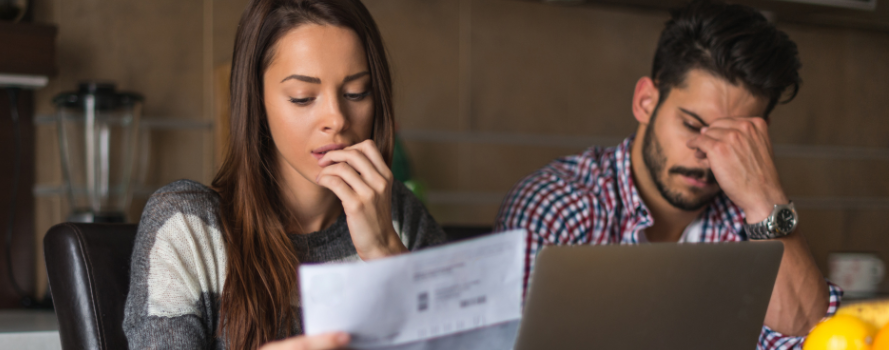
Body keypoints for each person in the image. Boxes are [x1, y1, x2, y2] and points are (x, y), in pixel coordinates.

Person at [495, 1, 842, 349]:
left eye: (731, 139)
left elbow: (818, 343)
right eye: (692, 124)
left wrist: (766, 199)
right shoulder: (556, 205)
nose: (707, 152)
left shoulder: (751, 220)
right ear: (646, 101)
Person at [121, 1, 446, 349]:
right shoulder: (188, 227)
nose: (336, 119)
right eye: (303, 97)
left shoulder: (400, 217)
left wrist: (386, 251)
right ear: (257, 102)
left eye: (356, 93)